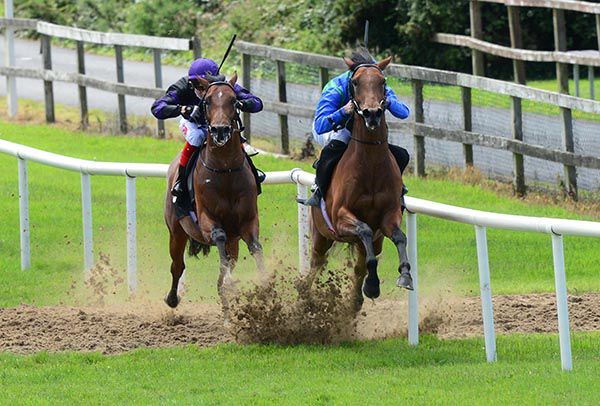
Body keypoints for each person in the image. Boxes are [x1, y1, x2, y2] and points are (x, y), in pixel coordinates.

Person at [299, 48, 411, 207]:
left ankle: (397, 189)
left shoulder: (378, 84)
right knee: (342, 139)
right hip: (333, 129)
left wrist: (389, 102)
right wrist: (343, 111)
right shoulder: (336, 88)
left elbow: (404, 113)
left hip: (361, 132)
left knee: (401, 155)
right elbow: (320, 126)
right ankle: (319, 189)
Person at [151, 58, 263, 202]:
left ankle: (253, 173)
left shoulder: (224, 88)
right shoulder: (182, 87)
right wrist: (182, 109)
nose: (201, 90)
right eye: (197, 85)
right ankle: (181, 180)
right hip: (194, 124)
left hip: (219, 125)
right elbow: (157, 108)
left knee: (233, 134)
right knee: (197, 136)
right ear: (191, 83)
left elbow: (257, 103)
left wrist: (241, 104)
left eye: (205, 85)